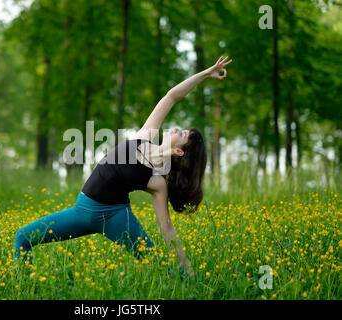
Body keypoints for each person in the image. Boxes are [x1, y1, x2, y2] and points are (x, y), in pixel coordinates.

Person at [14, 56, 233, 279]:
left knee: (158, 266)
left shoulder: (157, 182)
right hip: (82, 212)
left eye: (182, 134)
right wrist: (205, 74)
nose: (177, 128)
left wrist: (189, 269)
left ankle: (189, 284)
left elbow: (167, 229)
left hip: (116, 217)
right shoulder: (145, 136)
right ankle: (26, 286)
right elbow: (172, 96)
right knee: (23, 237)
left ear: (179, 152)